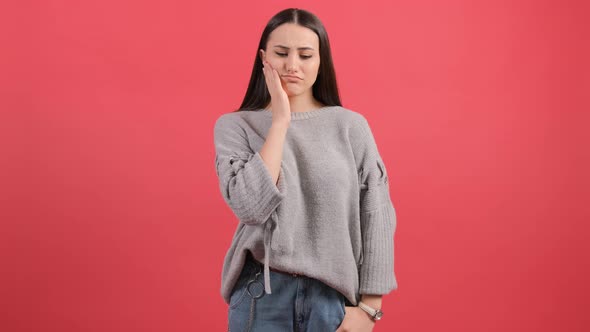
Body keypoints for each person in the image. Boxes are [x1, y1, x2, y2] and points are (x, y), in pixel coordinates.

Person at [213, 8, 398, 332]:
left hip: (333, 300)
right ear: (263, 58)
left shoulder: (350, 126)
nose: (292, 65)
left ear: (320, 60)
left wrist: (369, 308)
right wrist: (281, 120)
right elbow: (250, 208)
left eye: (305, 55)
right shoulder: (235, 126)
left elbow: (377, 213)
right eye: (281, 53)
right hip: (261, 298)